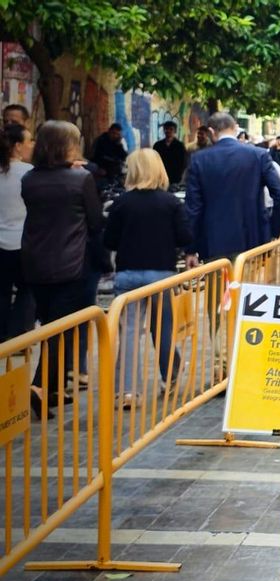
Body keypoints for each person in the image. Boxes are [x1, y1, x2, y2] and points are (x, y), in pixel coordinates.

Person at [21, 121, 103, 417]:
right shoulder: (80, 179)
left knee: (49, 325)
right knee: (62, 331)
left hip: (35, 262)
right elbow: (95, 222)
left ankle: (50, 391)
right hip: (71, 264)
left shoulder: (29, 179)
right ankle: (39, 386)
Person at [104, 149, 191, 407]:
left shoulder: (121, 202)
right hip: (161, 273)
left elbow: (109, 240)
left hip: (128, 273)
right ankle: (171, 377)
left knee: (129, 333)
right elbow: (184, 236)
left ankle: (129, 392)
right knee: (162, 329)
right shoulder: (170, 202)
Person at [184, 112, 280, 264]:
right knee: (249, 287)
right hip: (254, 240)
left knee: (219, 287)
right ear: (234, 128)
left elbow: (193, 208)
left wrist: (191, 249)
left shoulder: (199, 159)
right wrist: (272, 232)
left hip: (213, 242)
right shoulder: (258, 156)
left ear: (211, 132)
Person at [0, 123, 35, 339]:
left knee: (2, 293)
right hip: (25, 242)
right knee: (26, 291)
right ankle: (19, 336)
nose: (32, 145)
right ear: (17, 146)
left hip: (1, 244)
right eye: (29, 141)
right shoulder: (29, 174)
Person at [91, 123, 128, 189]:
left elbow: (123, 156)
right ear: (109, 131)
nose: (115, 136)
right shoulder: (101, 140)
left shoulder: (117, 142)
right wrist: (100, 168)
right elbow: (96, 156)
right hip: (102, 169)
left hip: (114, 170)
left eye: (117, 134)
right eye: (113, 133)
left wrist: (119, 144)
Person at [152, 121, 187, 188]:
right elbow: (154, 161)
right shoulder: (157, 145)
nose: (168, 131)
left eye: (171, 129)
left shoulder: (180, 146)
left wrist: (179, 175)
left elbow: (183, 162)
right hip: (160, 176)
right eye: (166, 129)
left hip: (175, 178)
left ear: (175, 131)